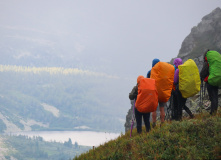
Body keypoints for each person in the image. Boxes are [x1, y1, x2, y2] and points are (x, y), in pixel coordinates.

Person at [147, 58, 165, 127]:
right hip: (161, 92)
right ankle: (162, 123)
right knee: (162, 108)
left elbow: (147, 82)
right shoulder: (163, 72)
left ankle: (154, 123)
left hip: (153, 92)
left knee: (153, 109)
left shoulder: (150, 72)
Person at [200, 49, 219, 115]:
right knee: (215, 97)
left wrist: (202, 76)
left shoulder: (207, 59)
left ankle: (213, 113)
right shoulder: (215, 59)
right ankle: (215, 112)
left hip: (210, 80)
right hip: (217, 79)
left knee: (212, 97)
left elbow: (204, 71)